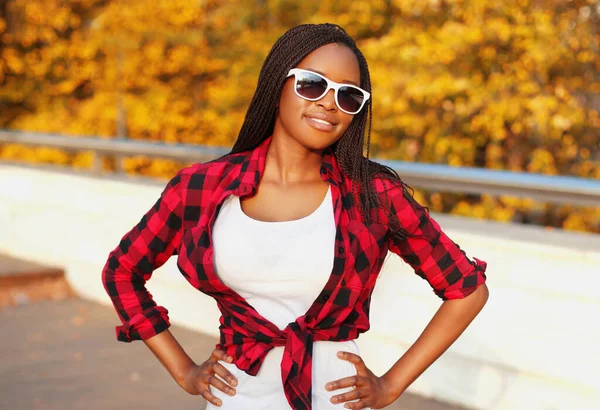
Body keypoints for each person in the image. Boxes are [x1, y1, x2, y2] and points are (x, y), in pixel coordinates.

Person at [102, 23, 488, 410]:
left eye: (348, 95)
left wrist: (390, 386)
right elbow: (122, 271)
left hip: (335, 399)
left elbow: (467, 290)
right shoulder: (201, 188)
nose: (328, 102)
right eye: (311, 84)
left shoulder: (373, 195)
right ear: (277, 85)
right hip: (235, 399)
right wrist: (184, 371)